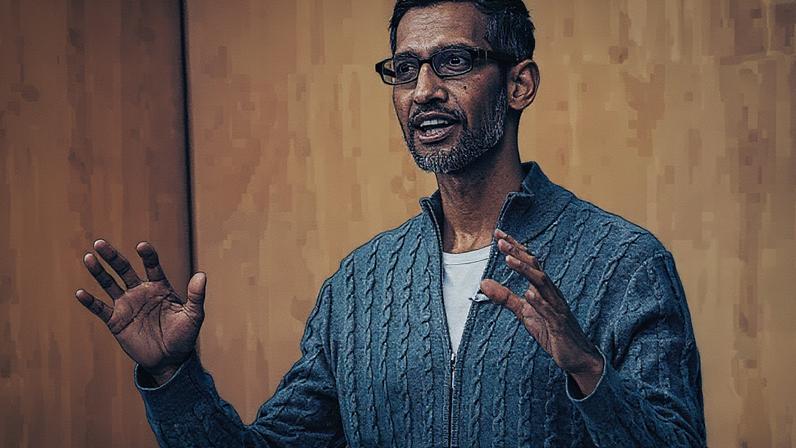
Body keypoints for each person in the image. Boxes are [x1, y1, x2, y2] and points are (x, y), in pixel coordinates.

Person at [75, 0, 706, 446]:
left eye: (453, 61)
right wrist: (174, 379)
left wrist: (588, 371)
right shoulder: (359, 285)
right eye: (405, 69)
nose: (423, 90)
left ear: (519, 85)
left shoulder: (623, 263)